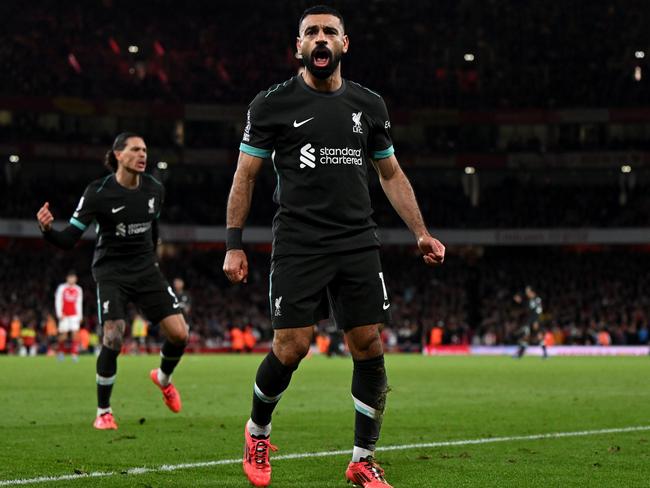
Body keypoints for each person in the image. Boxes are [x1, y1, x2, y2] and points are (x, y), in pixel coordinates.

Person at [222, 6, 445, 487]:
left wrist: (421, 232)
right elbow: (246, 175)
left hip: (358, 240)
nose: (320, 39)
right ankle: (257, 431)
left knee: (368, 344)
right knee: (292, 346)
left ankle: (362, 460)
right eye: (310, 33)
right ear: (297, 47)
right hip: (299, 242)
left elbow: (390, 174)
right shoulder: (271, 105)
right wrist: (234, 244)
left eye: (329, 32)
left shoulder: (369, 105)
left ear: (345, 43)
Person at [36, 132, 189, 430]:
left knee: (180, 334)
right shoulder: (98, 192)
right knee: (114, 336)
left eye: (145, 149)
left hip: (146, 269)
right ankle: (103, 411)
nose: (142, 154)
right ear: (118, 154)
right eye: (135, 149)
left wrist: (153, 260)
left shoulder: (155, 189)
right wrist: (47, 230)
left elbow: (153, 228)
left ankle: (163, 378)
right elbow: (69, 238)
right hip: (111, 271)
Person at [54, 271, 83, 361]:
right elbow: (58, 301)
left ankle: (74, 354)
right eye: (70, 277)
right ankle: (60, 352)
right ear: (67, 278)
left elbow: (79, 303)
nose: (72, 279)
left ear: (76, 279)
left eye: (73, 277)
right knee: (64, 335)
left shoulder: (78, 289)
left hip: (74, 315)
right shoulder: (62, 288)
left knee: (75, 334)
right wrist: (59, 313)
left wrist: (80, 316)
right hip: (64, 315)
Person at [513, 285, 547, 358]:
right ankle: (520, 354)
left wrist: (536, 321)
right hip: (529, 321)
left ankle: (545, 353)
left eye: (527, 291)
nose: (526, 293)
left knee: (539, 336)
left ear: (532, 292)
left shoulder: (537, 299)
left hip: (535, 321)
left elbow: (539, 311)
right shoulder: (529, 300)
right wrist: (520, 301)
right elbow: (527, 307)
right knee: (526, 336)